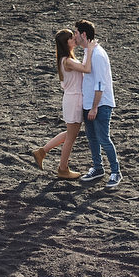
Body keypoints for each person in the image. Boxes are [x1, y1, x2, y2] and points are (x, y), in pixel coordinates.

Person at [32, 29, 98, 180]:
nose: (74, 38)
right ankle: (63, 169)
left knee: (70, 134)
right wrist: (89, 49)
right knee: (71, 137)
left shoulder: (66, 59)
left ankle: (41, 152)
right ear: (65, 43)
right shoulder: (67, 61)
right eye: (71, 38)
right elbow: (86, 69)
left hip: (71, 99)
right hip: (74, 100)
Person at [75, 19, 121, 188]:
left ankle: (116, 172)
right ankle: (98, 168)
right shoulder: (88, 52)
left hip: (100, 105)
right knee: (92, 138)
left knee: (103, 139)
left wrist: (95, 107)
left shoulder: (98, 54)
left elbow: (100, 84)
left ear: (83, 34)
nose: (75, 36)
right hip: (89, 104)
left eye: (76, 33)